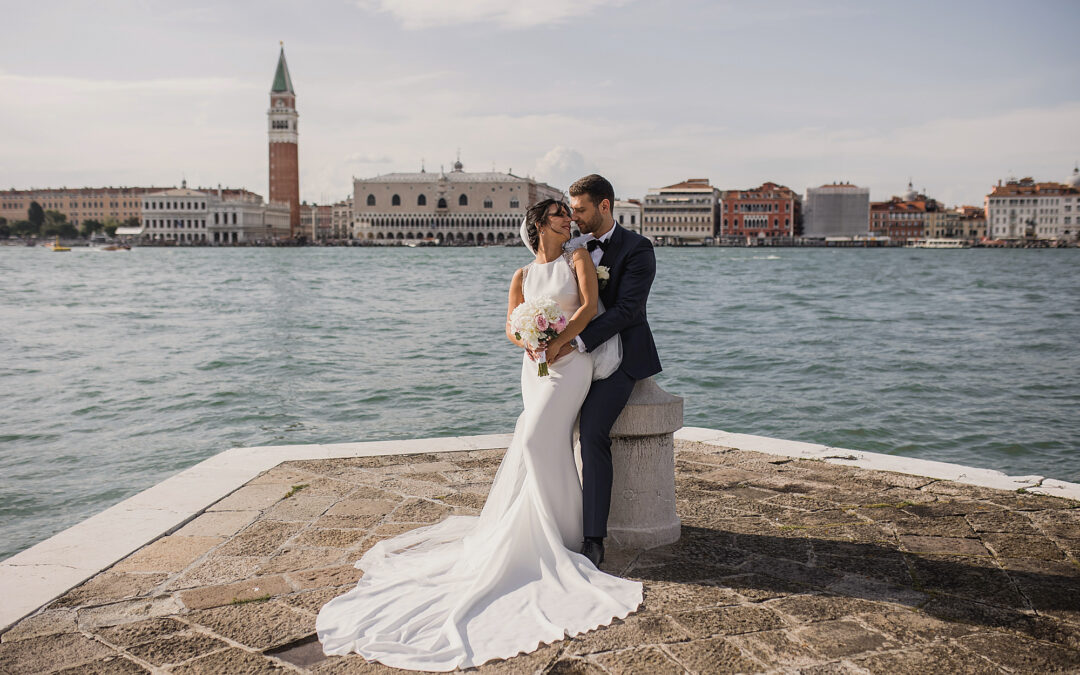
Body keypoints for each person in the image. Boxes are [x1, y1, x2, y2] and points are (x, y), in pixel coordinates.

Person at [316, 198, 643, 672]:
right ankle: (556, 527)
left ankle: (568, 532)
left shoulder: (577, 260)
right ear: (539, 224)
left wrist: (559, 338)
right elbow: (511, 327)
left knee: (533, 441)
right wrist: (530, 340)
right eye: (558, 215)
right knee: (540, 442)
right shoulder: (521, 276)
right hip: (535, 366)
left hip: (571, 362)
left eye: (568, 214)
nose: (567, 221)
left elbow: (590, 307)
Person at [563, 174, 662, 567]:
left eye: (581, 209)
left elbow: (628, 310)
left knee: (591, 432)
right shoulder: (569, 246)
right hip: (571, 355)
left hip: (622, 355)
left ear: (605, 206)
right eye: (571, 210)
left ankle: (593, 538)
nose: (574, 217)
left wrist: (575, 341)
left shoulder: (638, 249)